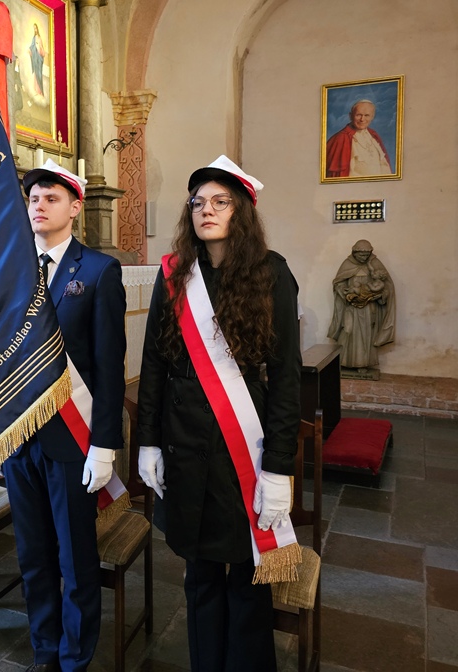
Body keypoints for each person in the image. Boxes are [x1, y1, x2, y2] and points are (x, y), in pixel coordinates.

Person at [136, 155, 302, 672]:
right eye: (198, 202)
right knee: (201, 575)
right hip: (184, 443)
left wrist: (278, 467)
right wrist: (148, 441)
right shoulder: (174, 274)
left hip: (242, 443)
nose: (206, 210)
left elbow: (286, 378)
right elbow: (153, 363)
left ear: (241, 211)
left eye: (220, 202)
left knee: (248, 576)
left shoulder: (272, 273)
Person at [2, 160, 126, 672]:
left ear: (75, 207)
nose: (39, 206)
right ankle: (45, 652)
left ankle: (74, 659)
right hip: (18, 438)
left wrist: (104, 445)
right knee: (33, 557)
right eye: (33, 199)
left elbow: (109, 366)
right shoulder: (10, 270)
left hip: (72, 439)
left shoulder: (97, 271)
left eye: (51, 198)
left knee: (75, 560)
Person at [327, 239, 396, 370]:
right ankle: (343, 362)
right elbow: (338, 283)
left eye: (366, 255)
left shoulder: (375, 263)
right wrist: (345, 293)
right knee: (347, 330)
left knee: (366, 334)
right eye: (361, 255)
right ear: (354, 253)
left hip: (368, 307)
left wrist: (377, 295)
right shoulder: (347, 264)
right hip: (351, 306)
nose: (364, 257)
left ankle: (362, 364)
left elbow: (387, 287)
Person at [325, 99, 394, 178]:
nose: (362, 119)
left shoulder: (373, 135)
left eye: (366, 115)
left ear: (372, 116)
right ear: (350, 116)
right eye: (358, 115)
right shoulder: (339, 139)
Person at [28, 23, 46, 97]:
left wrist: (40, 47)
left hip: (39, 57)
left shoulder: (39, 37)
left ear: (37, 28)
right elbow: (32, 46)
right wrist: (30, 50)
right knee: (36, 73)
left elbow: (42, 47)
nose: (35, 29)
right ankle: (37, 91)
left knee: (39, 74)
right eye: (34, 28)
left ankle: (41, 91)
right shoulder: (34, 37)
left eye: (35, 28)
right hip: (35, 57)